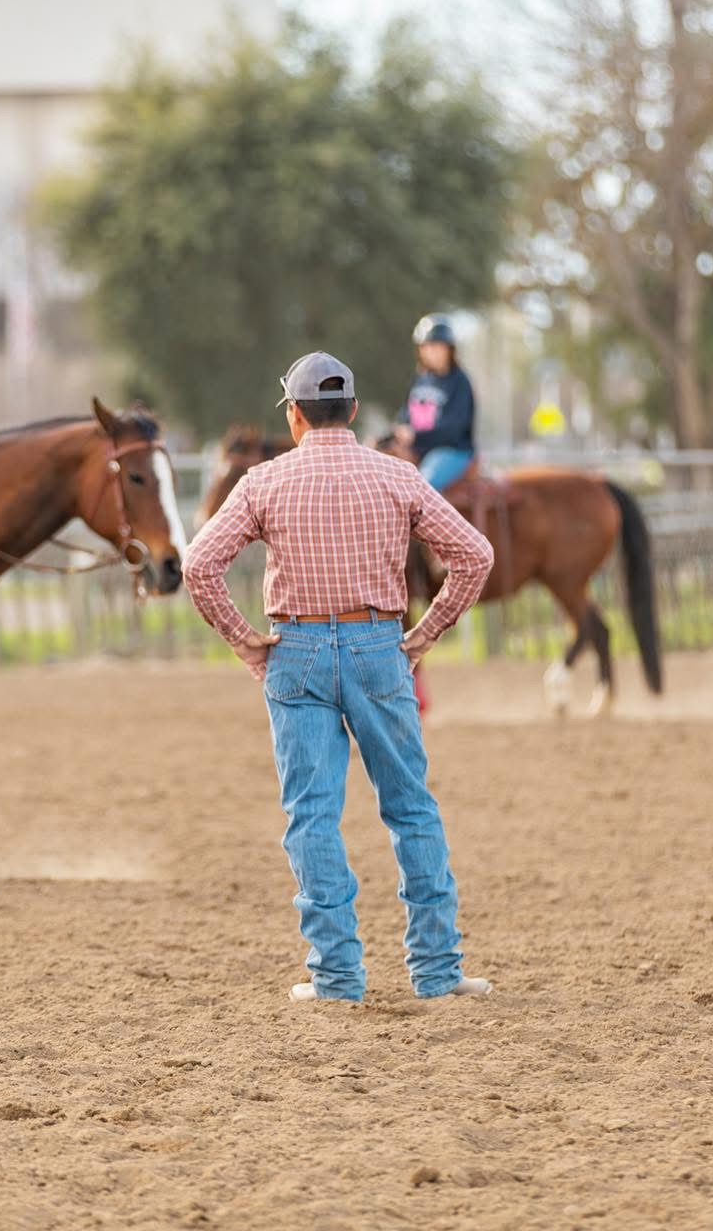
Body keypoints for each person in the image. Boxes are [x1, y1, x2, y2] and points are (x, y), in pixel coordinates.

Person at [182, 351, 495, 1004]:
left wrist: (245, 642)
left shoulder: (263, 483)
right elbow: (475, 554)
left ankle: (336, 977)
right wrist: (426, 633)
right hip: (379, 644)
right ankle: (436, 972)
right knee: (411, 807)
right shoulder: (397, 476)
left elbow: (199, 566)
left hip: (295, 650)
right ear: (352, 410)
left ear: (294, 416)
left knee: (312, 817)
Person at [393, 314, 476, 492]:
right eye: (427, 346)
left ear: (449, 350)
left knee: (422, 488)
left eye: (438, 346)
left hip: (451, 451)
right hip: (419, 449)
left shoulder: (459, 381)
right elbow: (405, 415)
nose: (432, 351)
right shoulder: (420, 379)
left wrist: (415, 436)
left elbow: (454, 427)